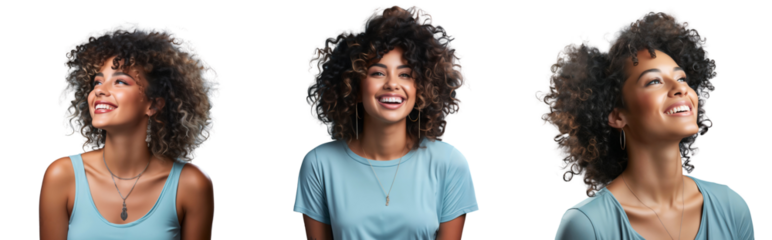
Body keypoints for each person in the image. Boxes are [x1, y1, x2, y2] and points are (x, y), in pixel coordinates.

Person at [541, 7, 754, 240]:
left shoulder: (732, 207)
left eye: (681, 78)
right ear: (616, 115)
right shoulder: (588, 226)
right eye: (654, 81)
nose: (680, 88)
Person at [295, 2, 476, 240]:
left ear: (422, 88)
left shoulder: (450, 164)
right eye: (378, 72)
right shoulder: (319, 164)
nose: (392, 84)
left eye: (405, 74)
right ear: (354, 85)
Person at [40, 19, 220, 239]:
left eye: (120, 82)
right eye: (97, 82)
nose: (100, 91)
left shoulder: (191, 185)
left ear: (153, 104)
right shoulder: (62, 176)